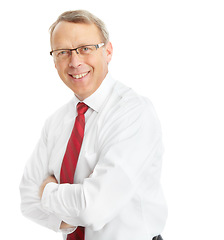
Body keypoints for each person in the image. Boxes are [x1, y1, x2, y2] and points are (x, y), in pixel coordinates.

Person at [19, 9, 167, 240]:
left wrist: (47, 191)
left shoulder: (134, 112)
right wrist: (69, 216)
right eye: (63, 52)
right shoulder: (55, 122)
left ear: (107, 51)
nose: (75, 62)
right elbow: (28, 199)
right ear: (54, 61)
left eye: (85, 49)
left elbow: (96, 207)